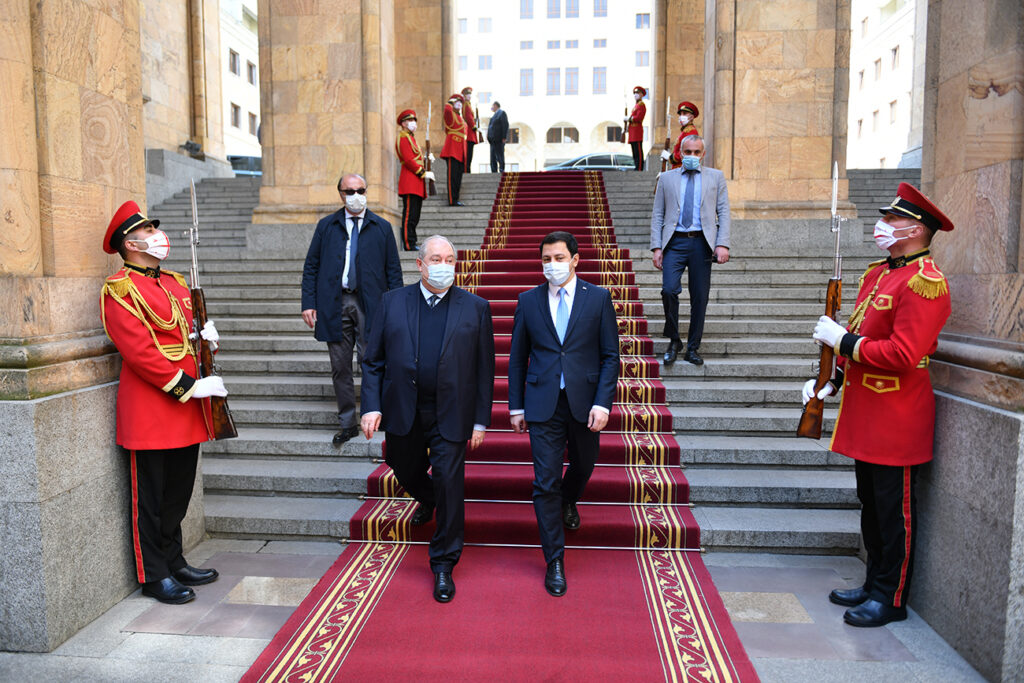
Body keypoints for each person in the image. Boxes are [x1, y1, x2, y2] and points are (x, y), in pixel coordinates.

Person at [803, 183, 953, 628]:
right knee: (871, 504)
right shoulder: (880, 274)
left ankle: (891, 595)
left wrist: (843, 340)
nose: (882, 225)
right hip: (866, 411)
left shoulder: (926, 283)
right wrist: (830, 381)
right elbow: (860, 340)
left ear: (915, 229)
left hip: (897, 417)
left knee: (894, 512)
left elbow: (904, 354)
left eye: (891, 220)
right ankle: (873, 582)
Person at [99, 200, 226, 605]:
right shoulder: (120, 290)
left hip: (186, 409)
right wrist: (189, 386)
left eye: (155, 230)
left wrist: (206, 338)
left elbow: (185, 337)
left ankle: (174, 559)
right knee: (150, 500)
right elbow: (139, 353)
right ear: (130, 243)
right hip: (153, 408)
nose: (158, 237)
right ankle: (153, 573)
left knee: (177, 492)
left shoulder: (172, 281)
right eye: (150, 232)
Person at [360, 235, 495, 603]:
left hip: (452, 411)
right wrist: (371, 406)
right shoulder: (392, 302)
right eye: (436, 258)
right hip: (404, 407)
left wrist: (480, 421)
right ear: (419, 264)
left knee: (451, 482)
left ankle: (443, 563)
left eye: (450, 259)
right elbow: (373, 361)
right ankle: (430, 498)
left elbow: (485, 370)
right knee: (402, 466)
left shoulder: (476, 307)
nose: (444, 265)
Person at [507, 231, 620, 597]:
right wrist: (516, 406)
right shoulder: (528, 300)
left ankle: (570, 498)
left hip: (585, 402)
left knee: (585, 465)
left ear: (575, 259)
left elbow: (609, 357)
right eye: (545, 259)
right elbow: (517, 358)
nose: (551, 265)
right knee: (544, 482)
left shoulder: (598, 298)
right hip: (542, 404)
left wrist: (603, 403)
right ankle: (554, 558)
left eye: (558, 257)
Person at [301, 173, 403, 447]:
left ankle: (375, 413)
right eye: (349, 191)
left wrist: (397, 307)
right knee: (340, 365)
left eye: (360, 190)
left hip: (372, 304)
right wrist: (308, 302)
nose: (355, 195)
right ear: (340, 194)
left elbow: (393, 271)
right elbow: (311, 266)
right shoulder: (327, 226)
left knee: (372, 359)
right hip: (335, 303)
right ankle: (348, 423)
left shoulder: (381, 227)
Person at [651, 135, 730, 366]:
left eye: (697, 152)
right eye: (688, 152)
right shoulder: (666, 179)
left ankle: (693, 347)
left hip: (701, 243)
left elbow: (724, 212)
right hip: (674, 242)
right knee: (668, 290)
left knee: (700, 297)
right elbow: (658, 214)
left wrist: (722, 243)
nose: (692, 156)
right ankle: (674, 340)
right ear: (681, 153)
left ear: (703, 154)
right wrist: (657, 247)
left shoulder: (716, 177)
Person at [395, 109, 435, 251]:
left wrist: (426, 159)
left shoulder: (411, 138)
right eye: (410, 121)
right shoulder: (403, 137)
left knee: (415, 214)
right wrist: (423, 172)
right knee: (409, 214)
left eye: (414, 121)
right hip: (410, 179)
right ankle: (408, 243)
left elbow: (416, 157)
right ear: (404, 123)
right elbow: (408, 159)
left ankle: (412, 241)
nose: (413, 123)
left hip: (416, 181)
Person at [441, 93, 468, 206]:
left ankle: (456, 198)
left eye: (460, 103)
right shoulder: (450, 114)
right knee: (452, 177)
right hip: (452, 149)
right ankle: (452, 200)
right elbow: (447, 110)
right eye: (457, 102)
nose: (459, 104)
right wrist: (450, 102)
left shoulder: (460, 118)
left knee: (458, 177)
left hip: (461, 150)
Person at [660, 102, 700, 170]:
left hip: (683, 169)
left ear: (692, 117)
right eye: (680, 114)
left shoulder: (691, 132)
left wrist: (670, 157)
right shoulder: (685, 131)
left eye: (684, 113)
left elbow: (686, 152)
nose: (681, 116)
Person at [626, 86, 647, 171]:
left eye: (637, 93)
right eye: (635, 93)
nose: (636, 95)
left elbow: (639, 117)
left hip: (637, 131)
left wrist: (629, 119)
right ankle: (636, 166)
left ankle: (639, 168)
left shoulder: (641, 105)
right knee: (634, 151)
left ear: (642, 94)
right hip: (632, 131)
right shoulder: (636, 105)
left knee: (638, 150)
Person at [487, 101, 509, 174]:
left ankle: (501, 169)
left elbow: (505, 125)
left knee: (499, 155)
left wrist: (504, 137)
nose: (492, 108)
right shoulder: (493, 116)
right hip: (492, 140)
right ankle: (494, 170)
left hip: (499, 139)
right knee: (493, 156)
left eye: (493, 106)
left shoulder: (502, 113)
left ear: (496, 105)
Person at [461, 87, 477, 173]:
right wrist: (474, 126)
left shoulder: (467, 104)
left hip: (470, 132)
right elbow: (468, 117)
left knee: (470, 152)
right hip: (470, 132)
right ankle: (467, 169)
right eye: (467, 94)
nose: (469, 96)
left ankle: (467, 169)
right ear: (464, 95)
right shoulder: (466, 104)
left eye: (470, 94)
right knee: (469, 153)